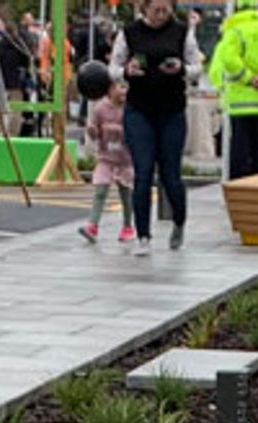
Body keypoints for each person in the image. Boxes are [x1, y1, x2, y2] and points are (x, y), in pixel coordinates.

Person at [110, 0, 200, 248]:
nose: (161, 15)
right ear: (144, 9)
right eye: (156, 10)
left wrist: (182, 69)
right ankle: (143, 236)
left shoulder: (182, 33)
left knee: (171, 174)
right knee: (143, 171)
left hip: (171, 110)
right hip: (140, 110)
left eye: (166, 10)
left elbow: (197, 68)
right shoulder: (129, 33)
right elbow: (113, 68)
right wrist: (127, 71)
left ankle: (179, 221)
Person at [210, 0, 258, 178]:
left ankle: (239, 193)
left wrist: (248, 78)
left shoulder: (234, 32)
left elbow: (227, 60)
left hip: (239, 103)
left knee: (240, 152)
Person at [81, 68, 133, 241]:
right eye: (120, 87)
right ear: (109, 89)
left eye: (126, 87)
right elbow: (94, 133)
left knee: (127, 195)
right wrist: (92, 131)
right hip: (106, 158)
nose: (123, 91)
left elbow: (136, 132)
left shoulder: (131, 109)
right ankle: (92, 225)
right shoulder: (100, 108)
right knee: (100, 190)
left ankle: (128, 226)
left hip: (126, 160)